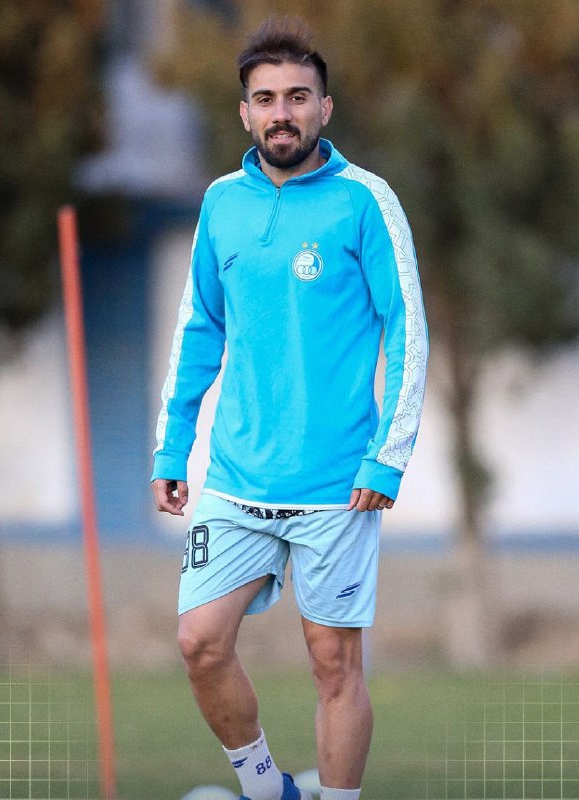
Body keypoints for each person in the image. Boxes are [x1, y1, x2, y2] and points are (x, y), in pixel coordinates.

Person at [151, 17, 428, 800]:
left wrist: (386, 457)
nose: (282, 113)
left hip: (337, 484)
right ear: (245, 113)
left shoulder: (364, 201)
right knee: (199, 642)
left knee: (333, 664)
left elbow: (407, 327)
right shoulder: (221, 204)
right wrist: (172, 448)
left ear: (324, 108)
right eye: (266, 99)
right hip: (235, 475)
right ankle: (269, 789)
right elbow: (198, 329)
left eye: (298, 97)